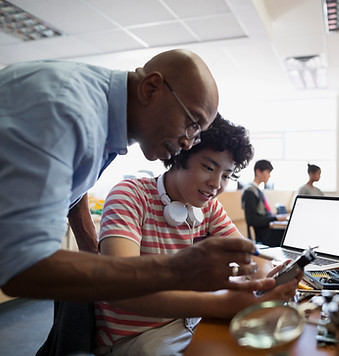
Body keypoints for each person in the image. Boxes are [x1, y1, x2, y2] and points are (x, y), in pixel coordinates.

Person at [0, 49, 260, 303]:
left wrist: (91, 250)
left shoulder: (103, 119)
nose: (188, 143)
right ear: (151, 88)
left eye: (197, 134)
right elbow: (21, 265)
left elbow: (71, 177)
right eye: (192, 123)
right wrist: (176, 271)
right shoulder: (68, 112)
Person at [93, 116, 301, 356]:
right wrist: (219, 305)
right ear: (180, 155)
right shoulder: (129, 196)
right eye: (208, 168)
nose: (216, 184)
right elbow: (122, 290)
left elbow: (248, 256)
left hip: (192, 321)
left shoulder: (208, 207)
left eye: (226, 175)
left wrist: (268, 278)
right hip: (136, 338)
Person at [242, 160, 288, 246]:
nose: (269, 175)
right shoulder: (250, 191)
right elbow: (251, 220)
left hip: (268, 230)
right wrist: (276, 218)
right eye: (268, 172)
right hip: (264, 235)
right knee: (288, 235)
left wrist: (276, 217)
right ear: (258, 172)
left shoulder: (258, 190)